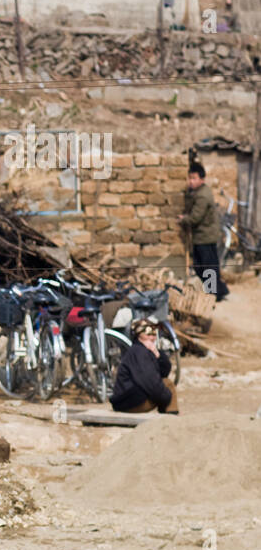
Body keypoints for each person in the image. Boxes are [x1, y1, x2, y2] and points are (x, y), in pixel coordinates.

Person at [179, 163, 229, 301]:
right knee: (207, 266)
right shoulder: (199, 191)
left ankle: (214, 294)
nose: (191, 181)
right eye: (189, 178)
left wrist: (183, 219)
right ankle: (219, 291)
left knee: (206, 267)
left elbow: (195, 218)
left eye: (194, 178)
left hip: (204, 237)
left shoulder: (202, 196)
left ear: (202, 179)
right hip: (205, 235)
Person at [111, 319, 178, 414]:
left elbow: (164, 372)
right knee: (167, 385)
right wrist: (166, 397)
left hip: (128, 400)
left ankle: (168, 417)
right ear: (139, 335)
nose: (152, 337)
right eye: (148, 333)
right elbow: (149, 380)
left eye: (154, 333)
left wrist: (158, 355)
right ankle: (170, 419)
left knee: (164, 384)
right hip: (128, 402)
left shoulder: (145, 350)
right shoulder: (139, 352)